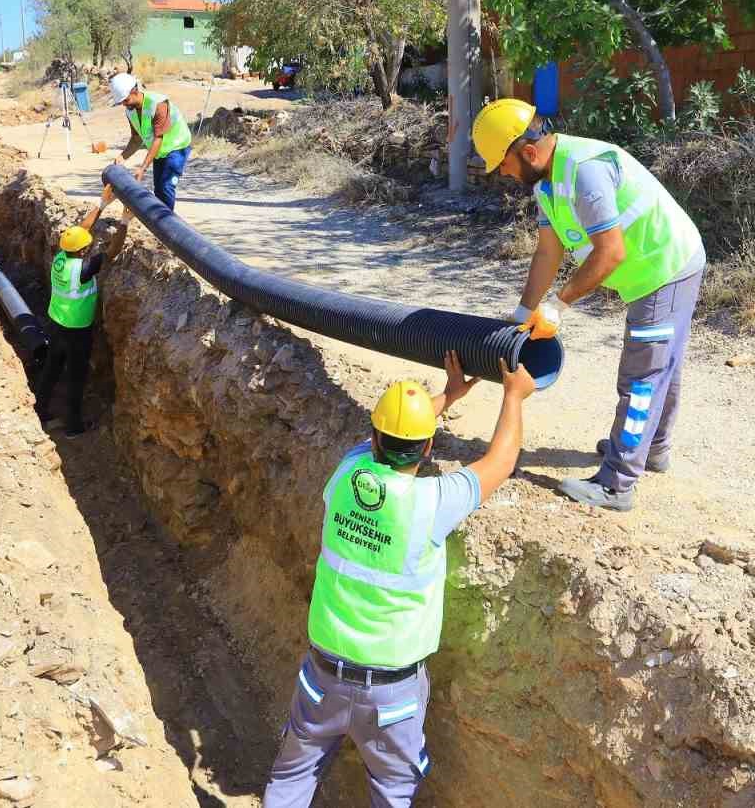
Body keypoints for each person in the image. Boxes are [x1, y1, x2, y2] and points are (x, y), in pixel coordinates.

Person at [262, 352, 536, 807]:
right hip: (391, 697)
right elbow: (502, 461)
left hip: (322, 678)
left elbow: (386, 439)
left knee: (292, 778)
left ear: (372, 438)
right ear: (429, 448)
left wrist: (444, 397)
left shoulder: (348, 473)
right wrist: (514, 395)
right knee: (392, 790)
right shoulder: (430, 503)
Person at [471, 98, 705, 513]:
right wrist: (525, 312)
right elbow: (548, 251)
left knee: (642, 375)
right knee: (662, 363)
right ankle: (651, 449)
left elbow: (610, 251)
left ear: (527, 152)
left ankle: (617, 484)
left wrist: (559, 306)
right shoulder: (546, 182)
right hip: (652, 270)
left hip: (664, 268)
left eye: (502, 165)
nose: (502, 174)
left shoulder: (584, 171)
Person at [35, 184, 128, 436]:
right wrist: (124, 221)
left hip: (56, 324)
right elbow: (112, 251)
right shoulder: (84, 270)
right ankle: (73, 426)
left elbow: (81, 231)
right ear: (84, 250)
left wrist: (102, 203)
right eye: (87, 245)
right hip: (77, 333)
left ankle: (40, 411)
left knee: (51, 369)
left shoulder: (60, 257)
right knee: (76, 378)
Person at [106, 73, 192, 210]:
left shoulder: (158, 104)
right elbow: (136, 138)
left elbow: (159, 137)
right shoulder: (130, 110)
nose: (124, 104)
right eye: (121, 102)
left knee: (166, 186)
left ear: (134, 91)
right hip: (159, 151)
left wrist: (143, 168)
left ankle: (168, 227)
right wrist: (122, 157)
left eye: (126, 100)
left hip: (177, 147)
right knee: (158, 189)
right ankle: (160, 223)